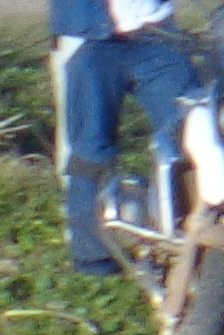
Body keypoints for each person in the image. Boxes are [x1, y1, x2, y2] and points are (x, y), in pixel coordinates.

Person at [52, 0, 198, 276]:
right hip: (89, 37)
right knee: (90, 151)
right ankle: (92, 259)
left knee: (192, 137)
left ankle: (196, 244)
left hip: (157, 33)